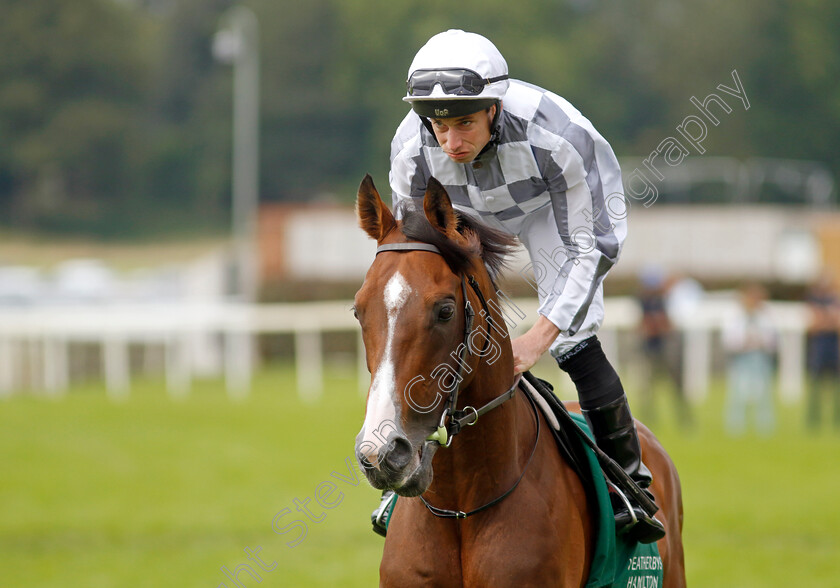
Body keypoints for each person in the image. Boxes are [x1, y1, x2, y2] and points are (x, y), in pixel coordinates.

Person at [372, 29, 664, 544]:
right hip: (459, 211)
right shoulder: (410, 149)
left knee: (574, 341)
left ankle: (629, 487)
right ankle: (404, 466)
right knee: (429, 328)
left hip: (551, 214)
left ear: (495, 107)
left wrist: (537, 338)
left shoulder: (560, 136)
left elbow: (592, 248)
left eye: (465, 123)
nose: (452, 142)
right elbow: (411, 249)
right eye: (439, 126)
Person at [721, 283, 777, 436]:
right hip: (741, 357)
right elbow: (729, 340)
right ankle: (735, 427)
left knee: (764, 394)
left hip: (760, 357)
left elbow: (773, 341)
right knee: (737, 393)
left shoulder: (765, 317)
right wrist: (744, 342)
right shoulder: (735, 316)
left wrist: (760, 341)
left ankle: (765, 427)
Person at [804, 273, 840, 430]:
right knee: (815, 387)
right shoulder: (813, 300)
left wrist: (825, 320)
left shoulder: (834, 300)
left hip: (834, 350)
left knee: (836, 388)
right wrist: (828, 320)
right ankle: (813, 421)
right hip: (818, 350)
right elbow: (813, 326)